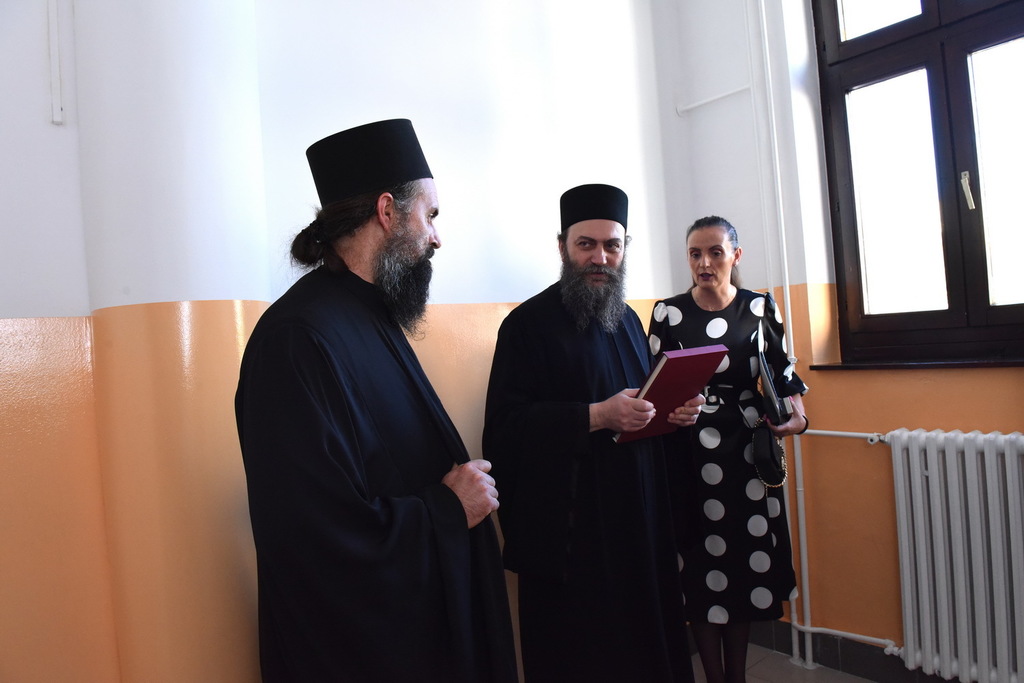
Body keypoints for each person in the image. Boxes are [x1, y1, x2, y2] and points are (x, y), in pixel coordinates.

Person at [235, 119, 518, 683]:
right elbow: (312, 535)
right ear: (388, 211)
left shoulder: (368, 310)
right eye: (430, 216)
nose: (436, 237)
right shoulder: (297, 340)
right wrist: (448, 509)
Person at [483, 183, 703, 683]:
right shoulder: (525, 325)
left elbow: (643, 402)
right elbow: (505, 430)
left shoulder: (628, 320)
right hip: (574, 534)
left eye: (612, 245)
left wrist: (674, 412)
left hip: (637, 524)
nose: (600, 258)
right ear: (562, 246)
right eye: (586, 244)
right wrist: (597, 416)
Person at [647, 215, 809, 683]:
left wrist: (799, 417)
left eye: (715, 252)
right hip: (689, 452)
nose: (704, 263)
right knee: (699, 563)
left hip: (747, 451)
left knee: (742, 561)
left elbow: (782, 372)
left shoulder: (759, 307)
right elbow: (652, 385)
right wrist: (670, 411)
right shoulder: (668, 313)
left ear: (735, 256)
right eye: (695, 253)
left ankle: (735, 677)